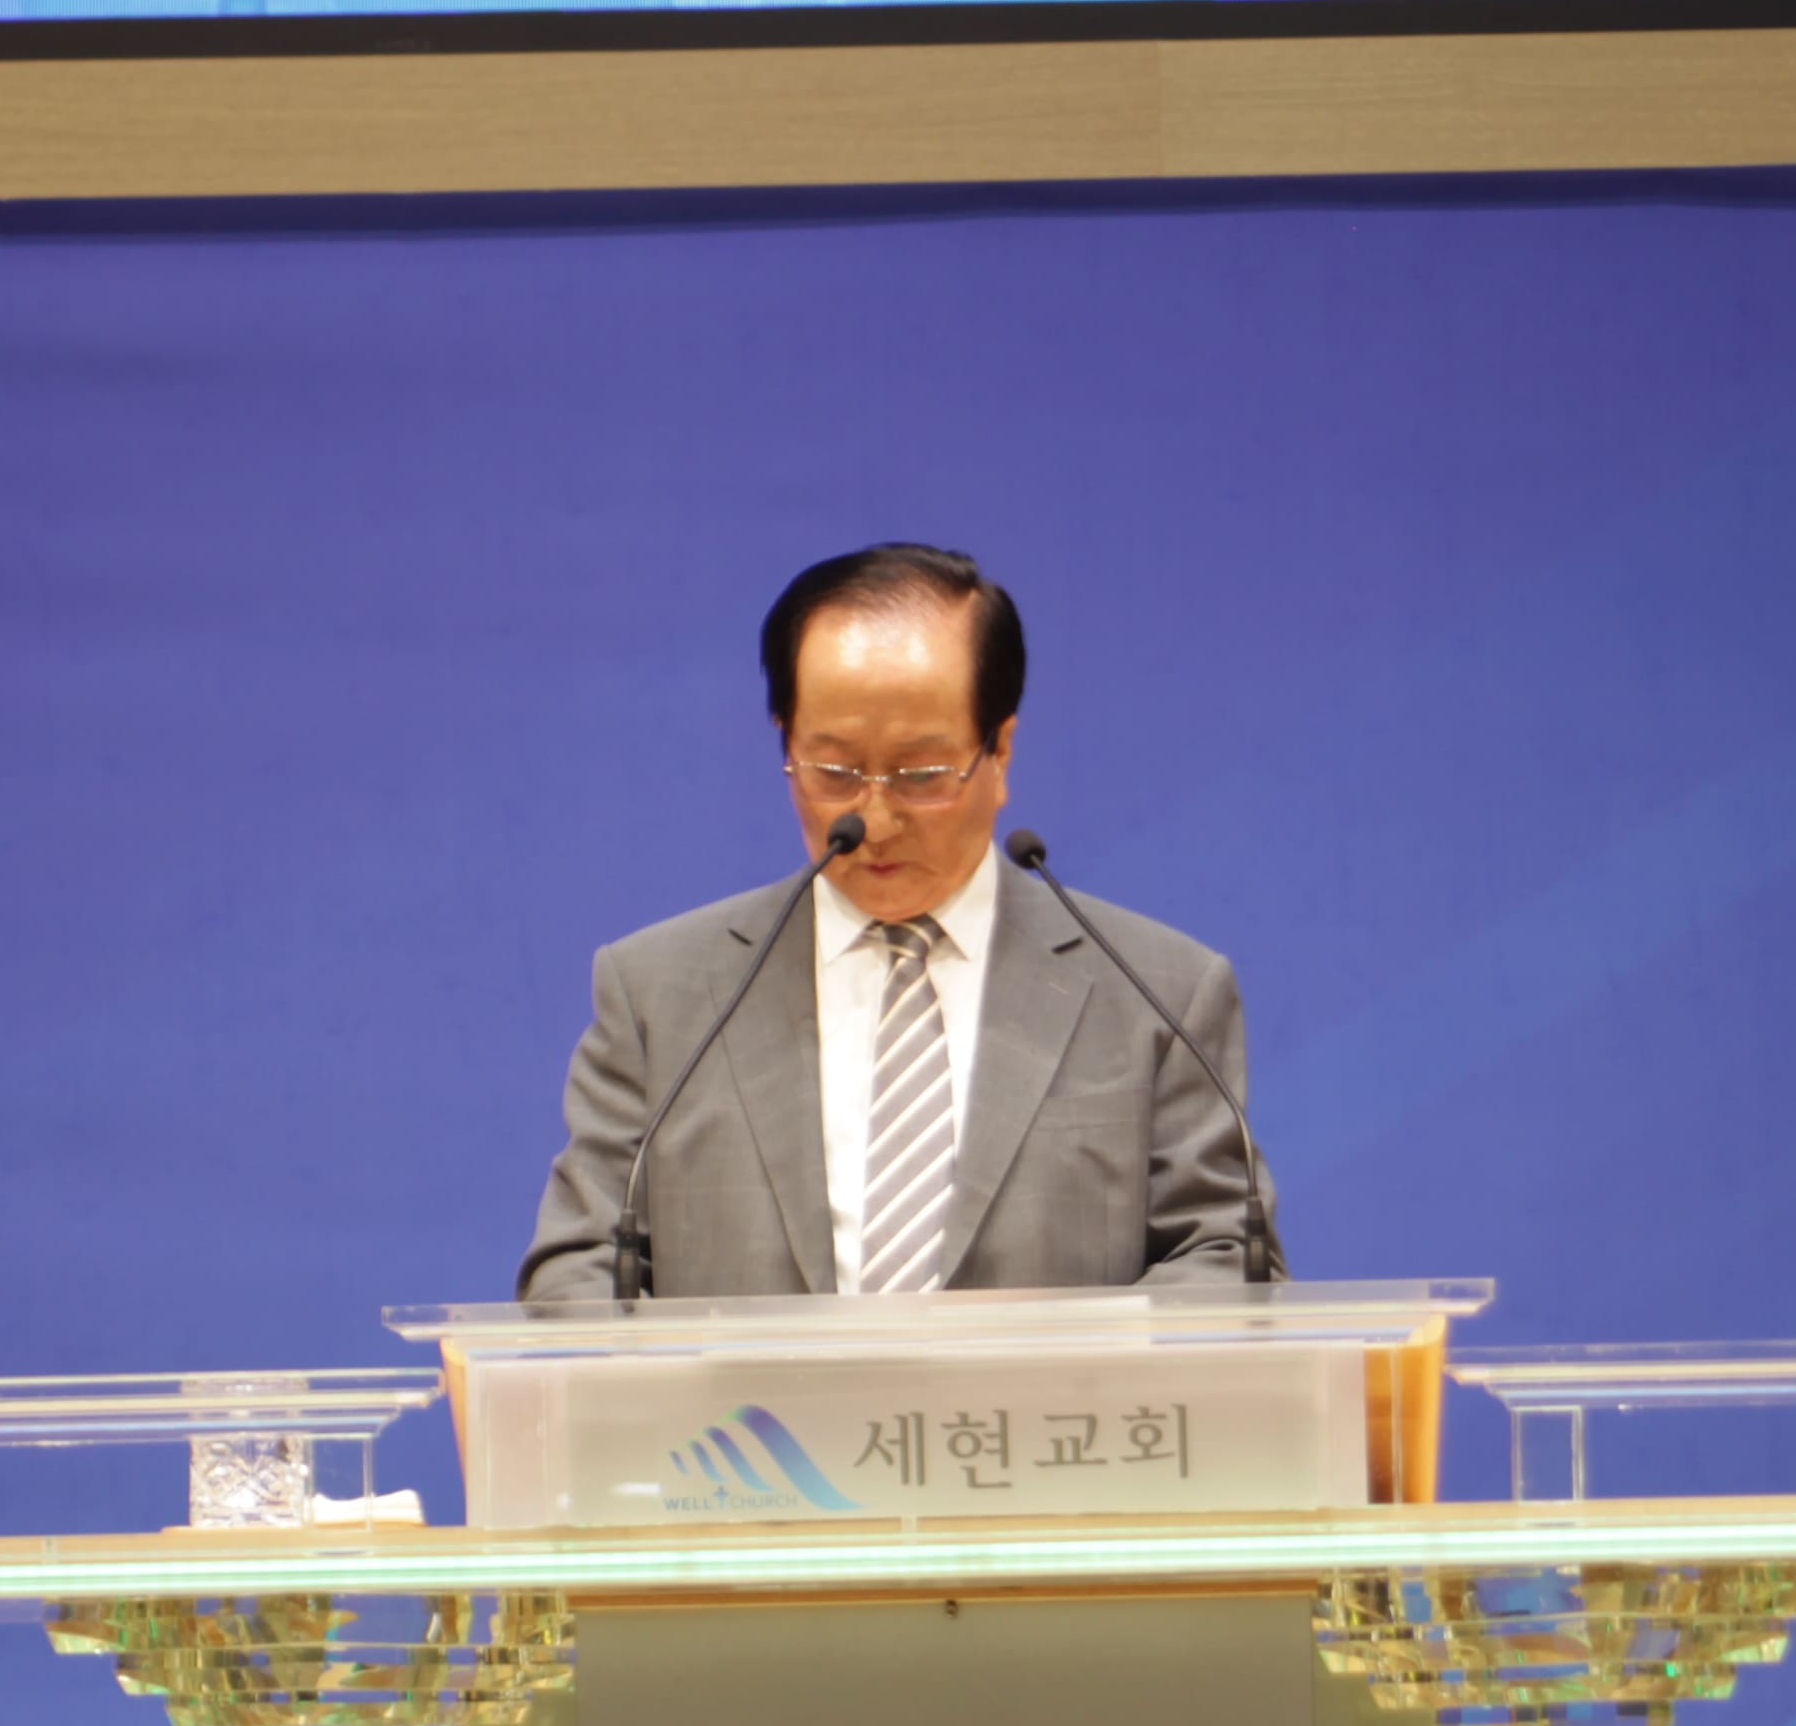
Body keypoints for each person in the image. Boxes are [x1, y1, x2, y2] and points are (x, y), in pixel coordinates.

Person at [521, 546, 1273, 1298]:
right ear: (786, 741)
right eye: (834, 772)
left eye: (922, 776)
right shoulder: (660, 994)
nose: (875, 821)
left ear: (1000, 751)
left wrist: (1060, 1362)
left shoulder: (1155, 994)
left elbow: (1224, 1258)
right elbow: (578, 1270)